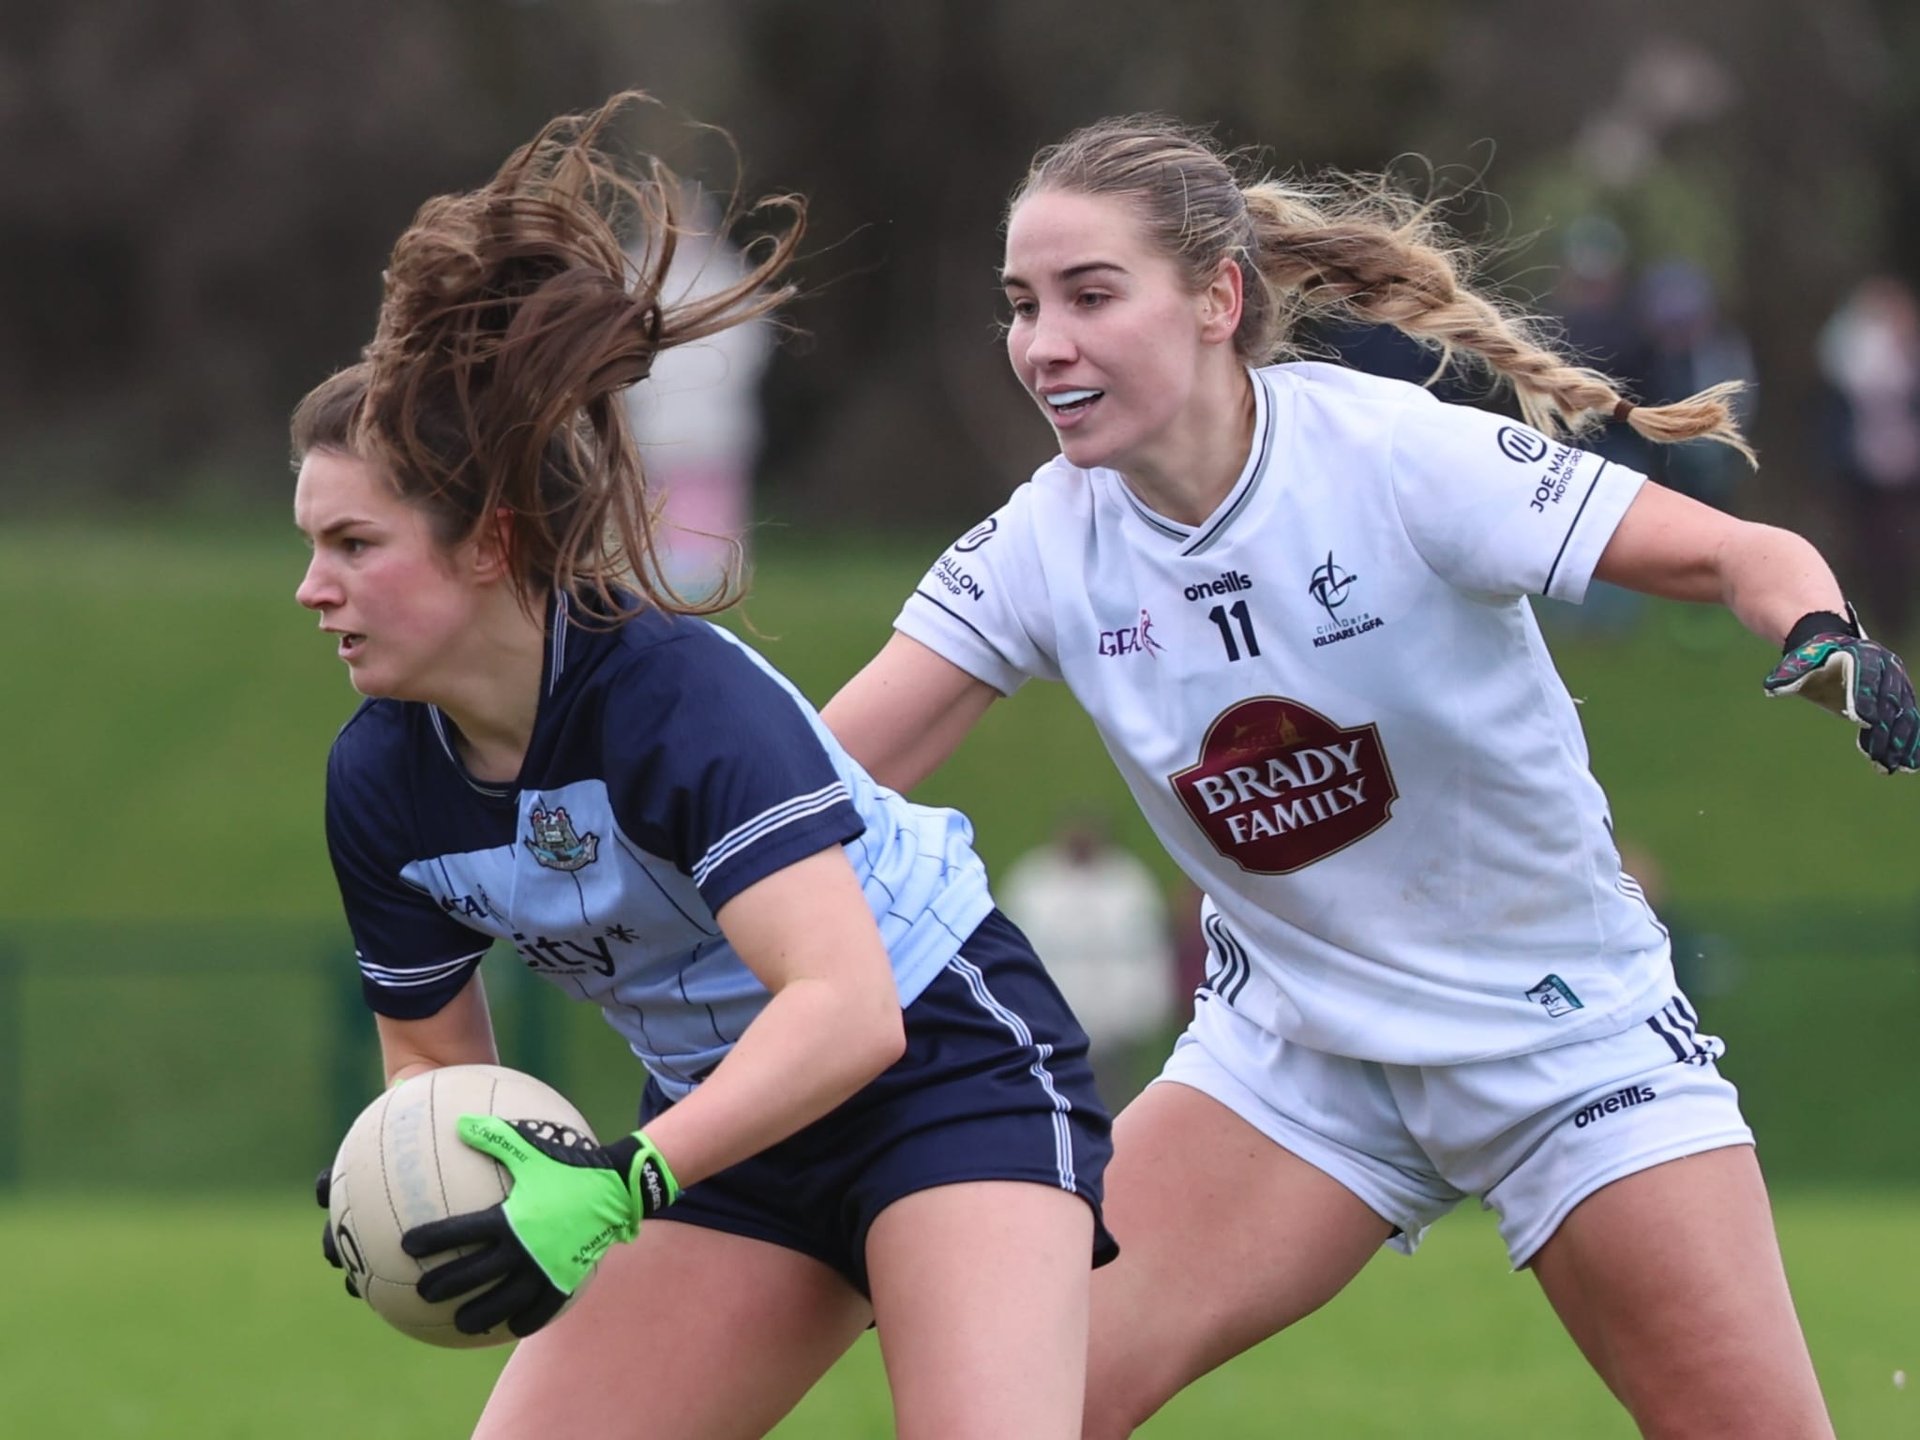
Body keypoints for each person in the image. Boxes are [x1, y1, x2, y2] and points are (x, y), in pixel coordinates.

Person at [822, 115, 1920, 1439]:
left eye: (1089, 296)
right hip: (1293, 1061)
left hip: (1564, 1042)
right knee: (1011, 1411)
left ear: (1218, 299)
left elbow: (1736, 555)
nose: (1043, 343)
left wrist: (1822, 640)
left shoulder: (1395, 456)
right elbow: (803, 786)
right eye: (1022, 304)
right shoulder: (1040, 545)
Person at [298, 93, 1113, 1440]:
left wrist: (621, 1182)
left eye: (352, 545)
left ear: (490, 543)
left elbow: (851, 1012)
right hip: (721, 1135)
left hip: (945, 1071)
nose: (312, 589)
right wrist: (409, 1183)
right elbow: (429, 1074)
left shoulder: (666, 693)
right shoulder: (381, 784)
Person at [998, 812, 1176, 1106]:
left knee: (1113, 1093)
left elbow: (1147, 945)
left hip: (1114, 1015)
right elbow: (1015, 942)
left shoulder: (1127, 880)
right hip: (1053, 1006)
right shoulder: (1034, 880)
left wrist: (1146, 1003)